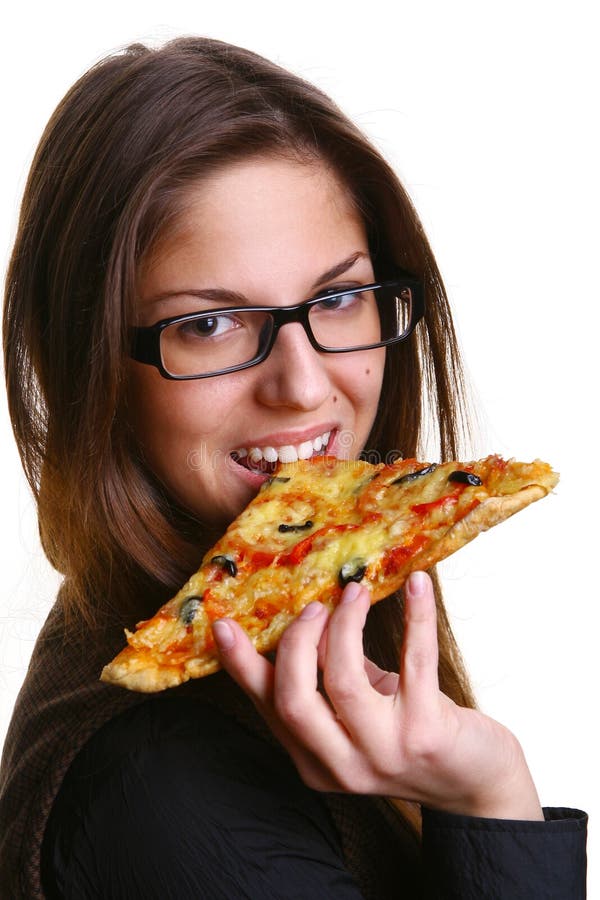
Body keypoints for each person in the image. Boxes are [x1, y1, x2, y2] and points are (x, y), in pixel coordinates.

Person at [0, 36, 587, 899]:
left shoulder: (309, 625)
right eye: (208, 324)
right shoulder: (168, 796)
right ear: (89, 368)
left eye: (339, 297)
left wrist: (482, 792)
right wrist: (494, 803)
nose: (305, 384)